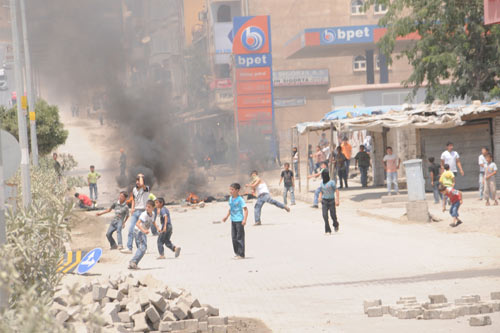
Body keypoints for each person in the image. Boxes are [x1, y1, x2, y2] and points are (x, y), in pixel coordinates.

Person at [122, 174, 150, 254]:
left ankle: (143, 247)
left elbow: (141, 184)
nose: (137, 182)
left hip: (143, 211)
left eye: (139, 180)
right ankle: (129, 248)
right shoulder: (134, 189)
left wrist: (140, 176)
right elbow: (133, 199)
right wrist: (132, 208)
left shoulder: (146, 188)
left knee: (141, 230)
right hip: (136, 212)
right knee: (131, 229)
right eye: (136, 180)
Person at [222, 183, 248, 259]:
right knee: (234, 237)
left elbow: (246, 210)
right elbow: (231, 209)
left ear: (237, 190)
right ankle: (237, 253)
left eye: (232, 189)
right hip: (233, 220)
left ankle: (241, 254)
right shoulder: (230, 198)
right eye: (230, 189)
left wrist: (244, 220)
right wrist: (226, 217)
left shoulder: (240, 199)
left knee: (239, 237)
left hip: (239, 221)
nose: (230, 191)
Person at [128, 200, 155, 269]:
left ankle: (133, 263)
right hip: (138, 231)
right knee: (142, 248)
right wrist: (144, 230)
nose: (147, 208)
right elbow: (137, 223)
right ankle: (133, 262)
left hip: (142, 232)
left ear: (153, 208)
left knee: (142, 248)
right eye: (146, 207)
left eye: (149, 207)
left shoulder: (153, 214)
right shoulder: (144, 214)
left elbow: (153, 221)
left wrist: (157, 228)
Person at [319, 169, 340, 234]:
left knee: (333, 215)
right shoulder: (321, 183)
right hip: (324, 201)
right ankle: (327, 229)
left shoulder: (332, 182)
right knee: (325, 215)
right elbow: (321, 191)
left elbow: (336, 191)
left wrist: (337, 200)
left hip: (331, 201)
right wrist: (319, 197)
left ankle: (336, 224)